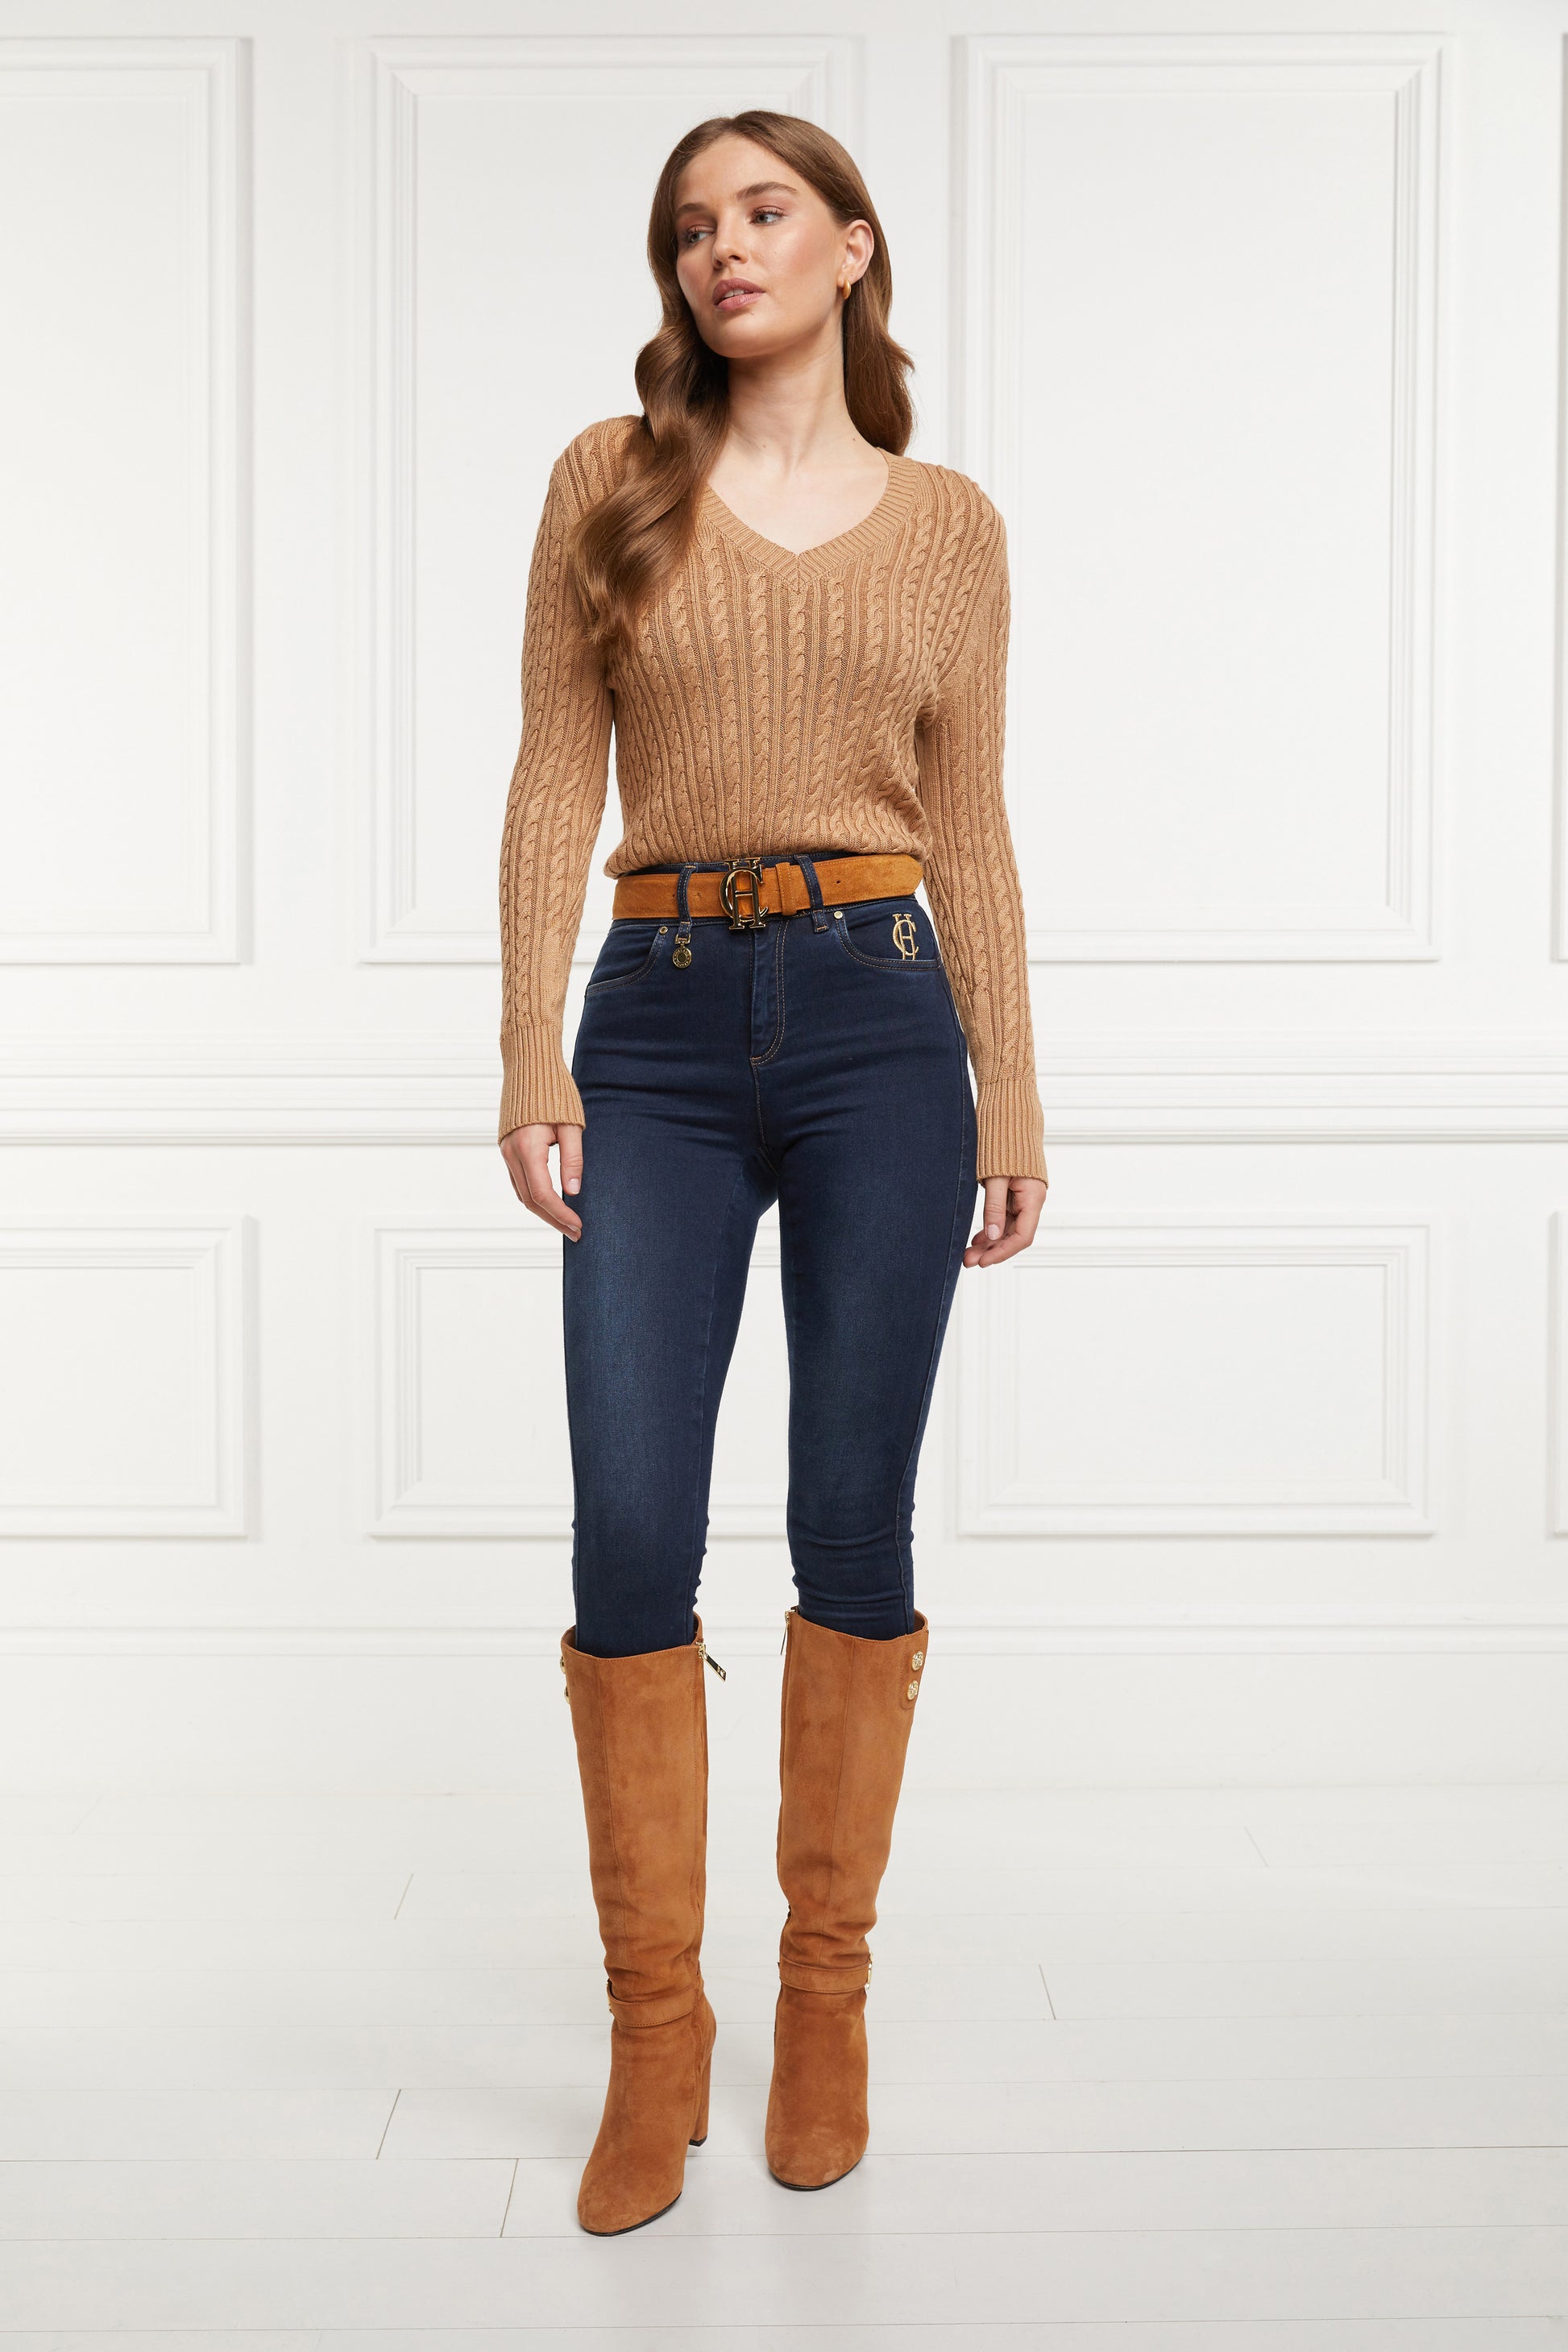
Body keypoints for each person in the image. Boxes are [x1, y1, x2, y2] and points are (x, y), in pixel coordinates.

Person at [496, 109, 1048, 2235]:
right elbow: (553, 775)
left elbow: (970, 825)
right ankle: (659, 2034)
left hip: (880, 1020)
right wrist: (525, 1047)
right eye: (689, 229)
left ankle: (824, 2003)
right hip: (648, 1023)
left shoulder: (951, 527)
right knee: (632, 1524)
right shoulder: (609, 481)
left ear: (850, 245)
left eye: (761, 212)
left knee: (847, 1514)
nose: (721, 250)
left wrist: (1013, 1092)